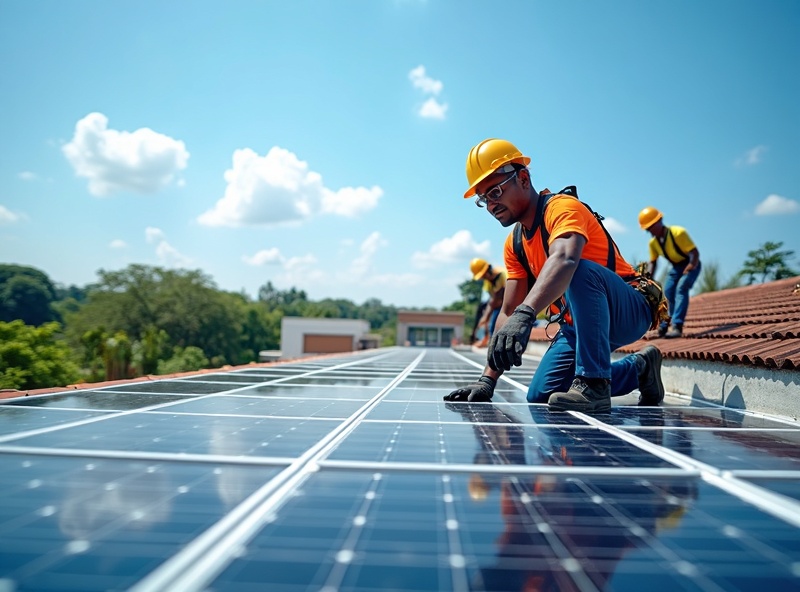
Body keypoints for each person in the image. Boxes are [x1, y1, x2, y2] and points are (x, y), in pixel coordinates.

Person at [444, 138, 665, 413]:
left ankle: (594, 385)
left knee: (578, 269)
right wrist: (487, 379)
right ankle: (639, 370)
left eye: (496, 191)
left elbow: (565, 258)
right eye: (483, 198)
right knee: (541, 394)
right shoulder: (515, 244)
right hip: (579, 326)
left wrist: (526, 315)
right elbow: (509, 309)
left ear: (523, 178)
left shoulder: (561, 209)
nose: (491, 204)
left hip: (628, 309)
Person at [638, 206, 701, 338]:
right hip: (676, 267)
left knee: (681, 289)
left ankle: (677, 326)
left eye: (651, 226)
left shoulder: (678, 233)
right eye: (648, 229)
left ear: (659, 221)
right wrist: (648, 280)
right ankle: (663, 327)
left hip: (691, 264)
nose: (650, 231)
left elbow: (694, 253)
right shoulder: (653, 243)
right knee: (667, 293)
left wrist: (690, 267)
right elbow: (653, 263)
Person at [469, 258, 507, 346]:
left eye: (483, 275)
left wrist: (487, 315)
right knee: (485, 312)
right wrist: (485, 317)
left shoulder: (503, 274)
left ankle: (496, 342)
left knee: (497, 317)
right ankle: (488, 340)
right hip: (499, 304)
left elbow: (499, 298)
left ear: (487, 270)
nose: (483, 278)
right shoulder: (488, 283)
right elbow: (492, 300)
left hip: (511, 303)